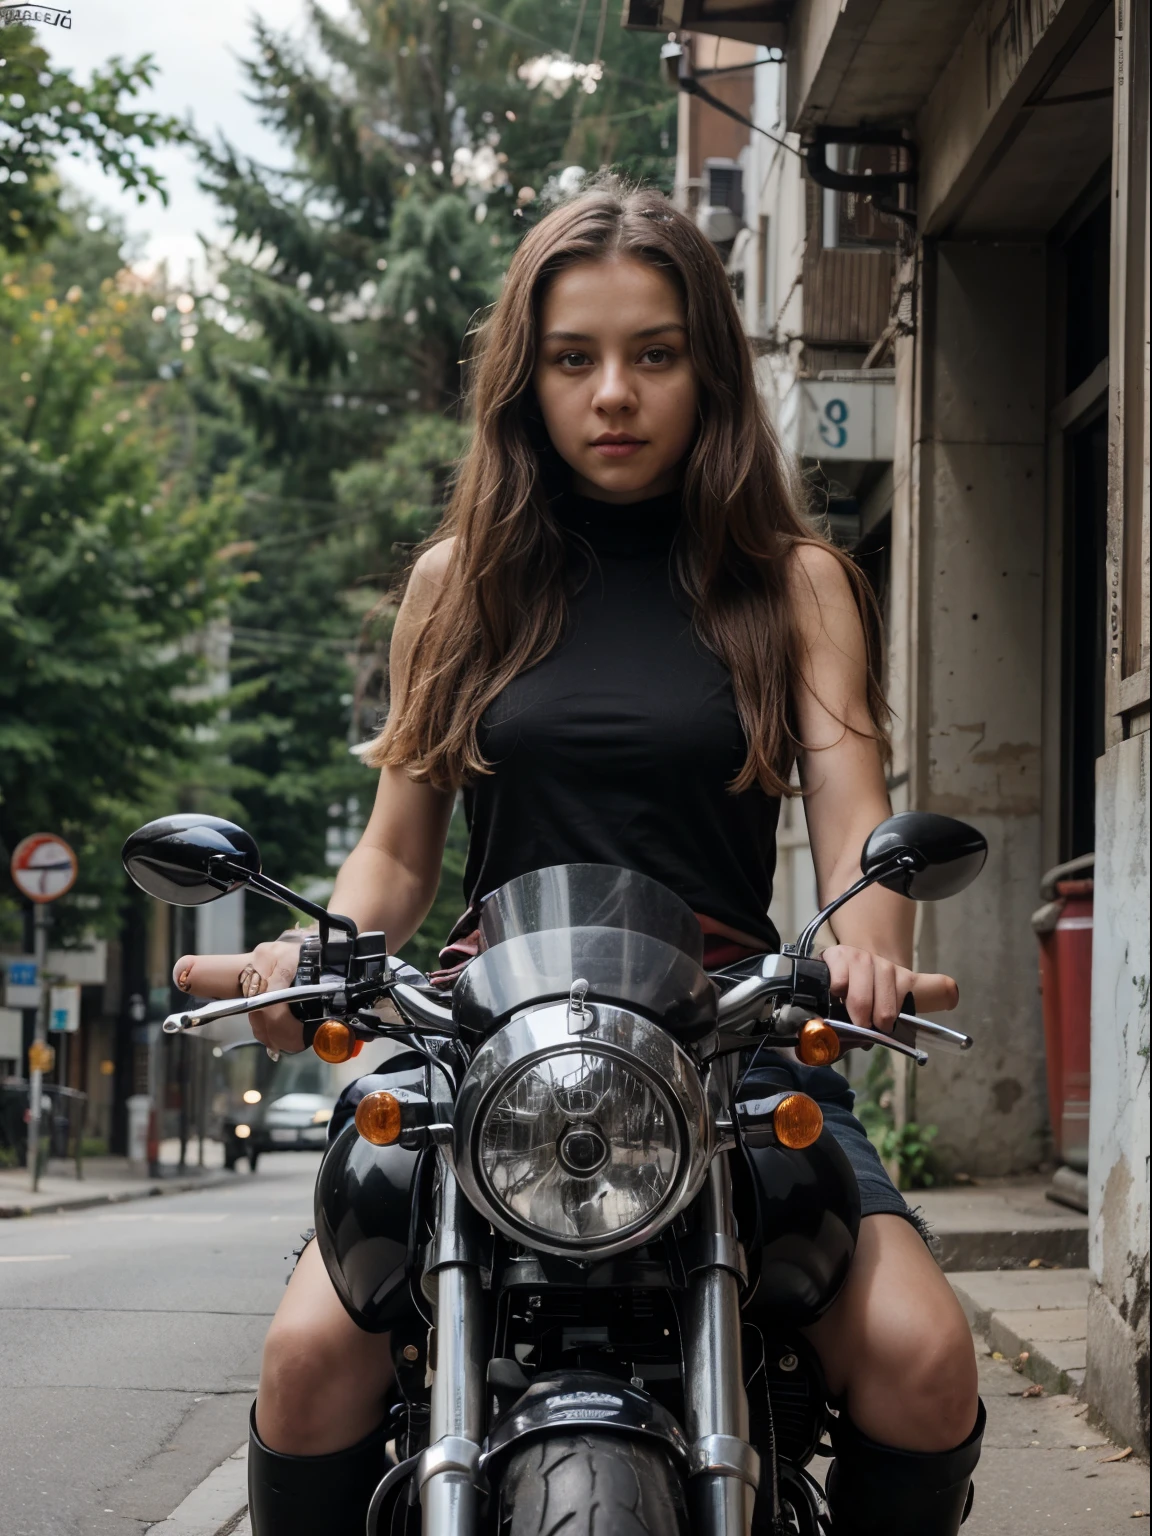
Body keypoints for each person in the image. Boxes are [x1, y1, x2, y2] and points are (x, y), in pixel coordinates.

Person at [177, 179, 982, 1535]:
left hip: (729, 1041)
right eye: (574, 359)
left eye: (653, 354)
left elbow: (861, 836)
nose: (614, 392)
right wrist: (305, 950)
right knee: (308, 1364)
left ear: (708, 371)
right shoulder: (460, 586)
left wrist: (867, 951)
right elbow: (396, 858)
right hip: (484, 1044)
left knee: (923, 1361)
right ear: (527, 381)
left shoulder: (798, 586)